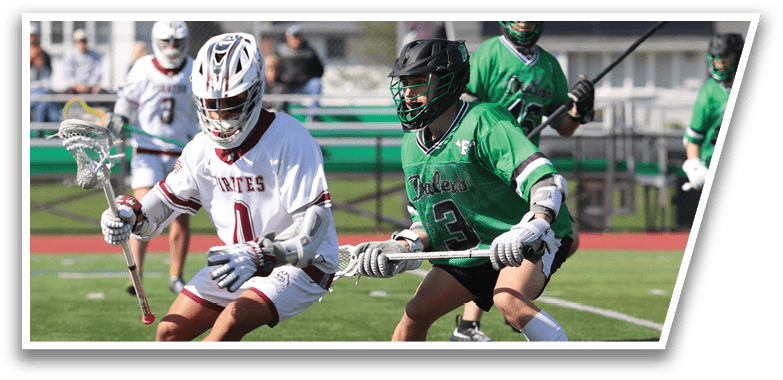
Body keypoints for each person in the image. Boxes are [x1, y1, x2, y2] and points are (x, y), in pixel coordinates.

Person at [100, 32, 339, 341]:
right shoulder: (200, 148)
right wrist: (127, 216)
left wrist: (261, 254)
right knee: (168, 333)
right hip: (238, 259)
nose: (220, 115)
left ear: (254, 91)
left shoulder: (289, 136)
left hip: (299, 264)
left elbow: (311, 233)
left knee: (227, 326)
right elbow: (155, 214)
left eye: (231, 103)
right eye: (211, 104)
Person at [354, 38, 579, 342]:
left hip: (524, 238)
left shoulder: (484, 121)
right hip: (471, 250)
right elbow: (424, 223)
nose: (407, 94)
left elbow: (547, 182)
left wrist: (531, 226)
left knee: (508, 299)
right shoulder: (411, 145)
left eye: (419, 82)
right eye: (404, 83)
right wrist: (402, 248)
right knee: (414, 316)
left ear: (449, 82)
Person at [453, 21, 594, 341]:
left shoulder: (548, 66)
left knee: (565, 239)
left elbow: (563, 125)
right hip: (488, 160)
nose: (524, 21)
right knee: (490, 241)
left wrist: (579, 111)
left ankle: (509, 301)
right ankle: (469, 325)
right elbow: (462, 108)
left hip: (524, 165)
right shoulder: (489, 54)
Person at [107, 21, 199, 295]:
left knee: (180, 215)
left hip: (182, 152)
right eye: (166, 42)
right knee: (140, 211)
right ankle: (138, 276)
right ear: (157, 41)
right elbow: (127, 99)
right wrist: (120, 117)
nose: (171, 48)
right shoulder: (144, 66)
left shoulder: (194, 68)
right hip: (147, 151)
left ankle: (176, 275)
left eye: (176, 42)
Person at [682, 33, 744, 192]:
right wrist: (695, 167)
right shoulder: (708, 93)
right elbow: (694, 139)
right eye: (715, 57)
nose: (719, 62)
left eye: (725, 56)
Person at [273, 24, 324, 122]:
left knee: (317, 84)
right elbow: (274, 69)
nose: (296, 39)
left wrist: (309, 76)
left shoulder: (309, 51)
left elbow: (320, 69)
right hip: (288, 85)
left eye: (298, 36)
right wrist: (281, 76)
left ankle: (313, 117)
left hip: (305, 86)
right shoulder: (281, 50)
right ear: (288, 38)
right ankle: (284, 116)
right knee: (279, 88)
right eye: (293, 36)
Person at [30, 23, 60, 123]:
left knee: (46, 104)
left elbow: (48, 77)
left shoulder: (44, 55)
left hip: (42, 93)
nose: (32, 39)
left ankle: (40, 134)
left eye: (33, 35)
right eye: (29, 36)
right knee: (46, 103)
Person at [62, 29, 105, 94]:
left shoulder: (95, 55)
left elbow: (97, 73)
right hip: (74, 87)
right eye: (79, 41)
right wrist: (76, 85)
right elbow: (67, 74)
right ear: (75, 42)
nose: (81, 44)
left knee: (101, 92)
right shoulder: (69, 56)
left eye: (83, 41)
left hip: (90, 87)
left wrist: (89, 85)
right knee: (67, 93)